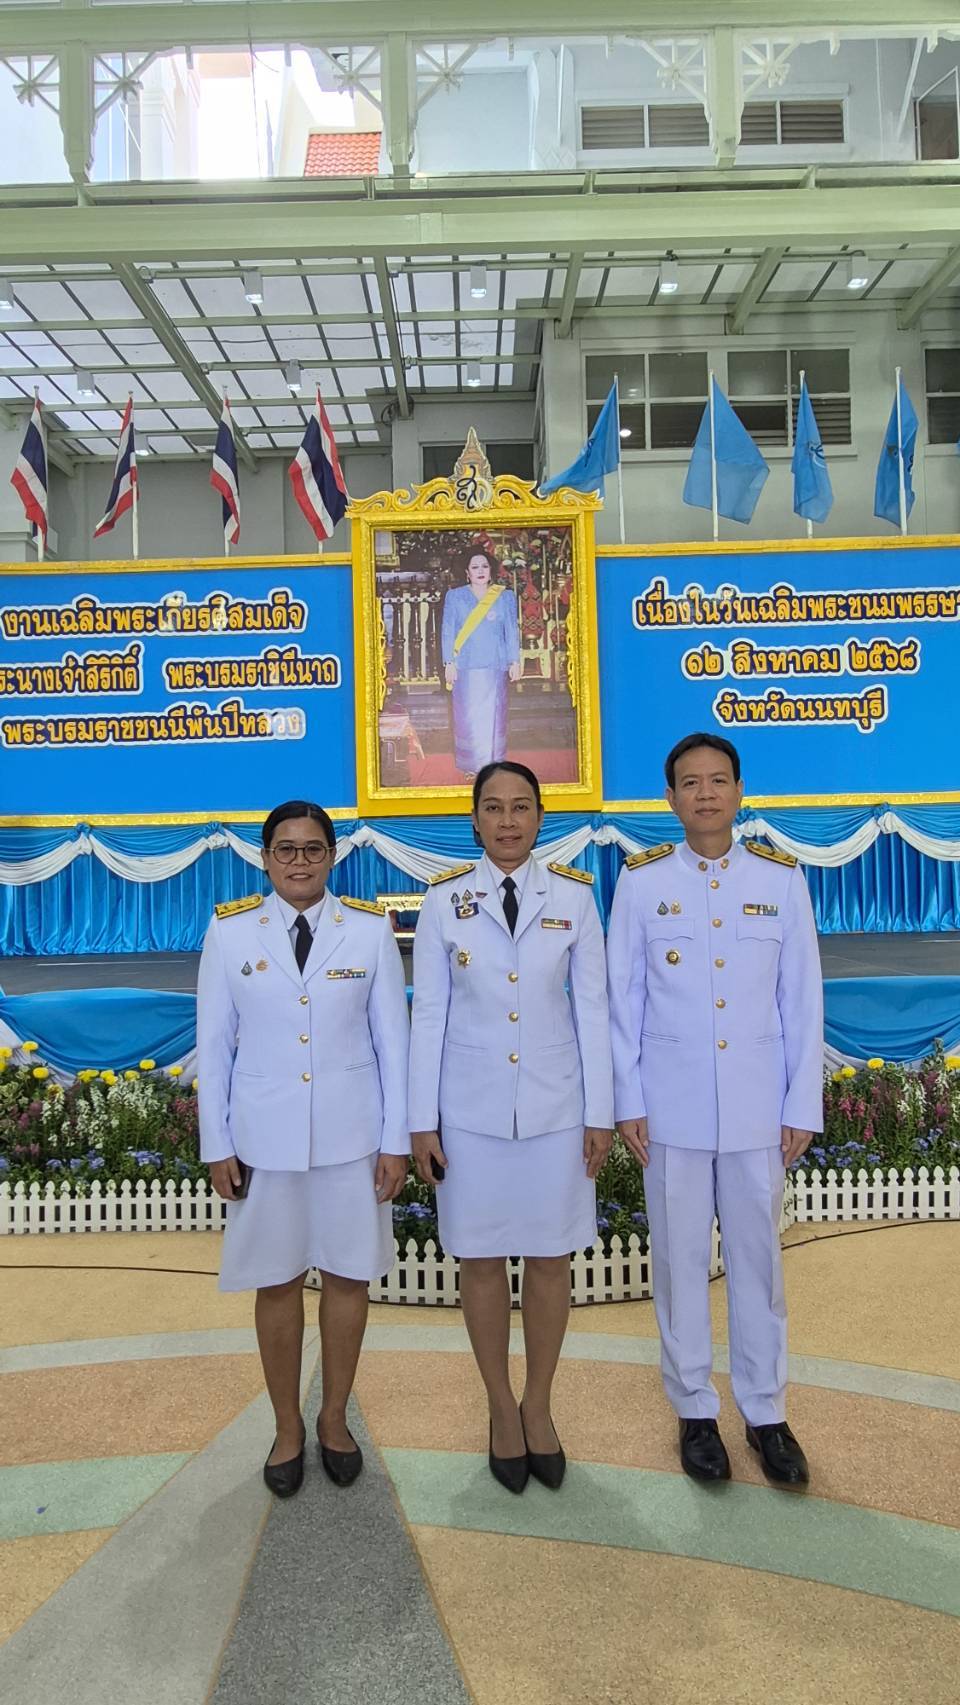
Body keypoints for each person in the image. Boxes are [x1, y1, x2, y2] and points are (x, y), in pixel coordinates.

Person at [606, 733, 823, 1489]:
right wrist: (627, 1099)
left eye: (718, 781)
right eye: (690, 783)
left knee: (760, 1267)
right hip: (670, 1110)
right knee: (678, 1262)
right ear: (670, 798)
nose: (705, 794)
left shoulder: (781, 880)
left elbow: (802, 1000)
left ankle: (766, 1411)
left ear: (739, 792)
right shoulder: (640, 884)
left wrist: (802, 1102)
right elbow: (620, 1002)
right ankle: (695, 1409)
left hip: (760, 1109)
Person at [408, 760, 614, 1493]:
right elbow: (426, 1013)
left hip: (557, 1111)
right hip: (469, 1113)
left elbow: (594, 1009)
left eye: (520, 806)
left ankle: (540, 1405)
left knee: (553, 1258)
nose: (506, 820)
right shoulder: (443, 902)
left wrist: (600, 1113)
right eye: (492, 807)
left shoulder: (576, 899)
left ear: (540, 815)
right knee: (482, 1260)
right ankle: (501, 1406)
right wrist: (420, 1120)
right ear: (473, 818)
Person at [198, 800, 410, 1498]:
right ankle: (287, 1425)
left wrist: (396, 1140)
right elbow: (215, 1047)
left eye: (313, 848)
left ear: (331, 855)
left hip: (353, 1140)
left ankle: (333, 1418)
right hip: (265, 1141)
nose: (299, 860)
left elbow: (392, 1045)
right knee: (277, 1280)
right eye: (285, 848)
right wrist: (216, 1141)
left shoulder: (369, 930)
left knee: (350, 1277)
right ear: (265, 856)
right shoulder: (231, 933)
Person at [441, 549, 521, 778]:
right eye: (475, 567)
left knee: (494, 714)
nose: (480, 571)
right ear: (467, 572)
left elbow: (511, 631)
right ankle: (471, 765)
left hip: (495, 664)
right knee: (468, 716)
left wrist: (514, 660)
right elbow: (448, 632)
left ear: (491, 570)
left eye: (484, 566)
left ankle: (494, 764)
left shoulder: (504, 596)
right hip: (465, 665)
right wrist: (449, 662)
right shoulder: (455, 597)